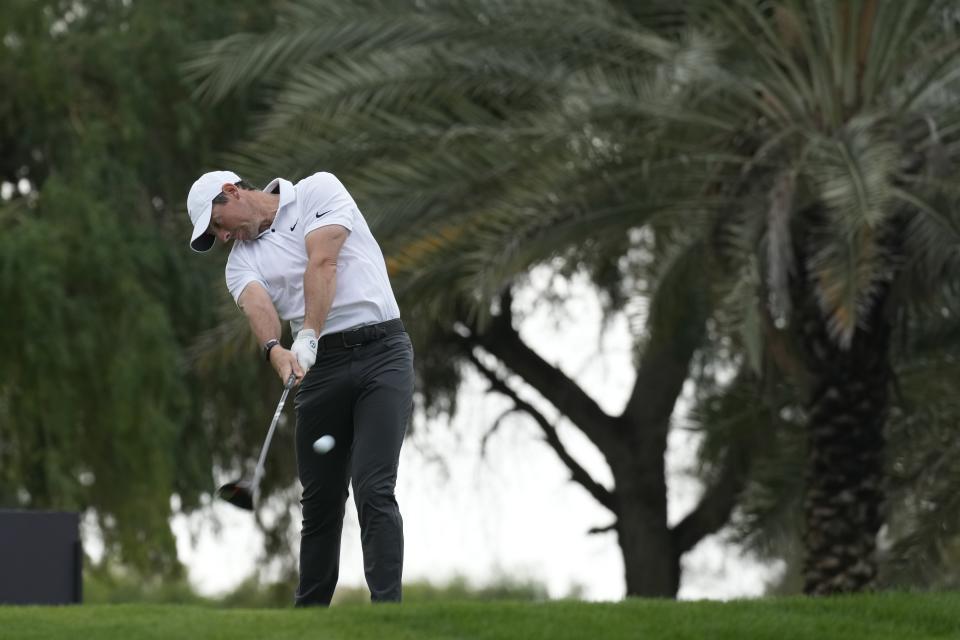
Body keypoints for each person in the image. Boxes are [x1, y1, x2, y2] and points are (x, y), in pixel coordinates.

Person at [186, 169, 414, 606]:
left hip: (381, 353)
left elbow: (323, 260)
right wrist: (276, 350)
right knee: (321, 501)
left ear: (231, 192)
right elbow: (257, 304)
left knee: (373, 485)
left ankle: (389, 612)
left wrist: (307, 333)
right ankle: (307, 619)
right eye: (214, 235)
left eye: (218, 224)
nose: (223, 237)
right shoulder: (240, 261)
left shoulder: (319, 190)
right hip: (320, 371)